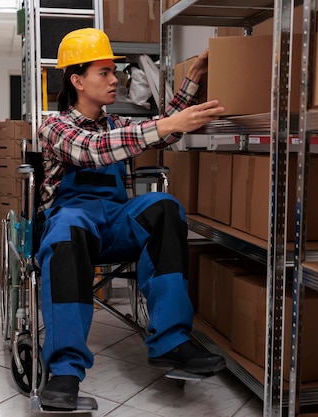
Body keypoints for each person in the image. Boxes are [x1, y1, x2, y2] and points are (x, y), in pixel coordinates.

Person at [35, 28, 226, 411]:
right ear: (77, 80)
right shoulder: (53, 127)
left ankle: (171, 342)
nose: (114, 79)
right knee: (66, 230)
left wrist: (194, 77)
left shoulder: (116, 124)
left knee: (164, 206)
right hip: (74, 221)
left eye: (114, 72)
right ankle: (65, 372)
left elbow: (164, 132)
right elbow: (90, 151)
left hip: (115, 221)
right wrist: (166, 125)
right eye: (104, 72)